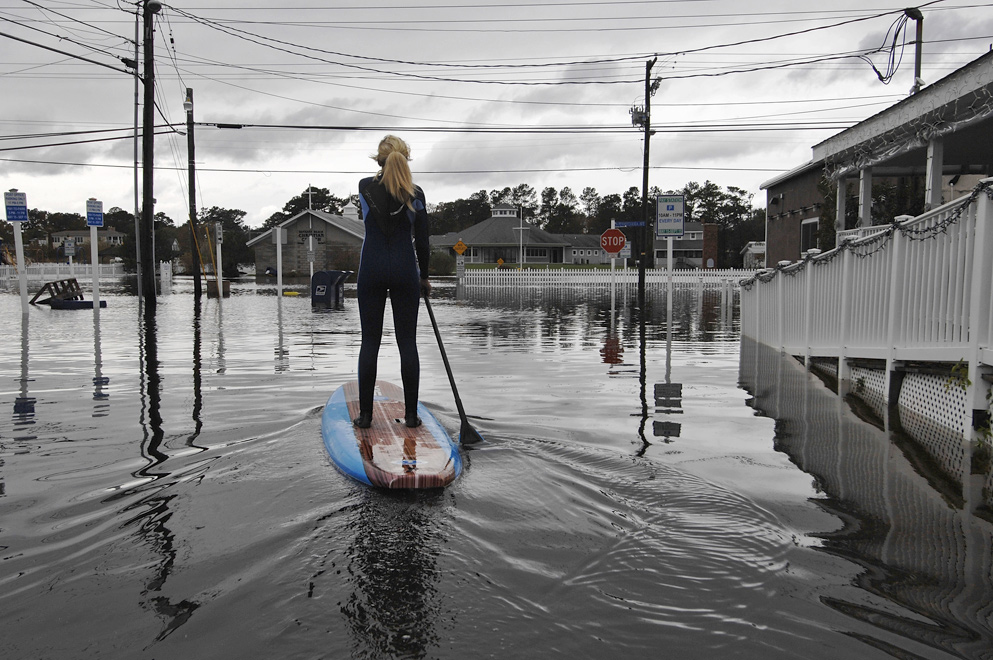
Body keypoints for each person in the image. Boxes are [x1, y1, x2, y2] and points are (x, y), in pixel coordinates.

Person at [353, 135, 431, 429]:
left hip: (371, 268)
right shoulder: (418, 194)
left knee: (369, 341)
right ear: (406, 158)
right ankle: (411, 417)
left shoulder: (364, 187)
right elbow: (422, 241)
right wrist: (424, 276)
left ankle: (365, 417)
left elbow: (374, 206)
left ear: (379, 160)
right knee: (407, 342)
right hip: (404, 270)